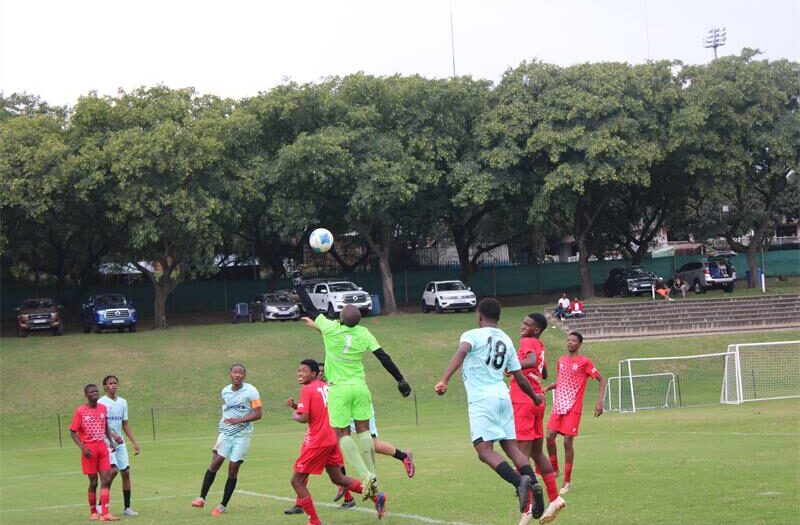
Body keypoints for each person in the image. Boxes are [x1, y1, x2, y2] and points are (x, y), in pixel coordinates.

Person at [284, 258, 411, 503]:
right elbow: (383, 357)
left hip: (339, 390)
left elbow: (309, 306)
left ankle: (365, 475)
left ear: (340, 318)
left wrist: (297, 280)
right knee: (364, 432)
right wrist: (400, 380)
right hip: (360, 388)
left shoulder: (331, 329)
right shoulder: (363, 333)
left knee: (341, 434)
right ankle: (372, 474)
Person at [435, 298, 546, 522]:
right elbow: (519, 376)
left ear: (479, 315)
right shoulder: (506, 339)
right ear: (498, 317)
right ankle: (534, 483)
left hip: (482, 399)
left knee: (484, 451)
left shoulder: (472, 335)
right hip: (503, 397)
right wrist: (534, 396)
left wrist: (444, 379)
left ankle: (519, 482)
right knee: (510, 446)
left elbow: (462, 352)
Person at [285, 359, 386, 522]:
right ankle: (376, 496)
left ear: (314, 373)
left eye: (303, 371)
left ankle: (314, 521)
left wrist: (295, 415)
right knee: (338, 478)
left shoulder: (308, 389)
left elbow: (304, 417)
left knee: (296, 481)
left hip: (318, 441)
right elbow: (320, 410)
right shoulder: (328, 387)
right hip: (334, 438)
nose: (300, 374)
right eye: (298, 371)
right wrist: (297, 408)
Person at [510, 313, 565, 524]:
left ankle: (527, 508)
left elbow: (531, 361)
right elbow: (544, 371)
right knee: (536, 452)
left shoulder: (527, 341)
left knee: (521, 455)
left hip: (524, 400)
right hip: (537, 400)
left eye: (527, 324)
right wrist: (527, 368)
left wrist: (513, 365)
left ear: (536, 329)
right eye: (523, 322)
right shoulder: (539, 345)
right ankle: (554, 498)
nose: (522, 326)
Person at [191, 364, 262, 516]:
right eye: (235, 372)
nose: (237, 375)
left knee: (233, 468)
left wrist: (239, 421)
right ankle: (201, 498)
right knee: (215, 463)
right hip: (225, 433)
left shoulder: (251, 391)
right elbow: (227, 411)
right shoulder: (225, 391)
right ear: (230, 374)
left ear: (244, 375)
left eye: (240, 373)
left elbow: (258, 414)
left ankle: (222, 506)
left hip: (242, 435)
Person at [545, 332, 606, 497]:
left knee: (567, 441)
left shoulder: (585, 362)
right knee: (549, 436)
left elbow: (602, 379)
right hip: (559, 405)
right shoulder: (561, 360)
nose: (570, 343)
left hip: (573, 407)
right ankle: (555, 469)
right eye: (568, 340)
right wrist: (548, 387)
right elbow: (562, 380)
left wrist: (599, 401)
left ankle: (567, 481)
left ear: (579, 344)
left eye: (574, 341)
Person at [70, 383, 119, 521]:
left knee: (107, 479)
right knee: (93, 482)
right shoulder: (80, 411)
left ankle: (105, 513)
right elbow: (72, 432)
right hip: (89, 449)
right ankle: (93, 512)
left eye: (96, 391)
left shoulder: (103, 408)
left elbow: (106, 426)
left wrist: (111, 441)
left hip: (102, 447)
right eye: (91, 392)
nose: (95, 393)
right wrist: (82, 447)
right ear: (86, 395)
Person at [98, 375, 141, 517]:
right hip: (106, 441)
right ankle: (101, 505)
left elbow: (125, 424)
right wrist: (112, 435)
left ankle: (127, 508)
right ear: (105, 386)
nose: (113, 385)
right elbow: (100, 424)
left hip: (120, 442)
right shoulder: (101, 403)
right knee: (113, 471)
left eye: (115, 383)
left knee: (126, 472)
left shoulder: (123, 402)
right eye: (110, 383)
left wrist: (134, 442)